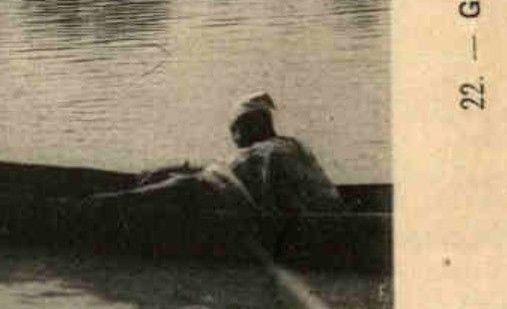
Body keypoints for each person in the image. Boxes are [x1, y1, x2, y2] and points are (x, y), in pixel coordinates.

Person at [87, 92, 343, 216]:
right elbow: (223, 169)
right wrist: (177, 166)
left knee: (185, 187)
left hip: (304, 222)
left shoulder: (261, 155)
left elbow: (201, 181)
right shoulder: (288, 144)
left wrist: (125, 197)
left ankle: (111, 203)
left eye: (234, 131)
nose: (233, 139)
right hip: (326, 209)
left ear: (248, 127)